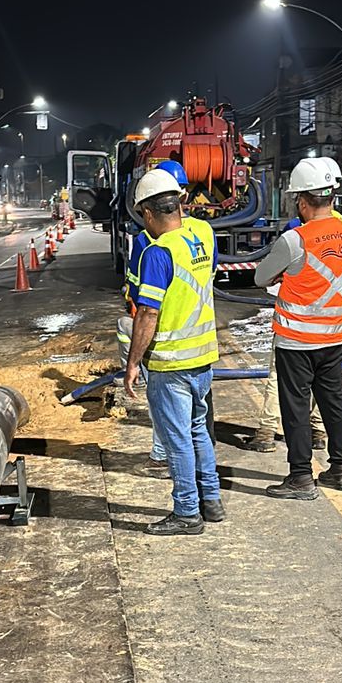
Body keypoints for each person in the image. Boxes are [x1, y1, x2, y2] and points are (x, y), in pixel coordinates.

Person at [254, 156, 342, 500]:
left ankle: (301, 477)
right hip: (333, 336)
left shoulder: (295, 240)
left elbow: (260, 277)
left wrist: (284, 275)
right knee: (334, 400)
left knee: (296, 407)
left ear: (302, 200)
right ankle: (340, 469)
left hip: (296, 339)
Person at [124, 169, 223, 533]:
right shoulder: (204, 233)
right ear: (180, 203)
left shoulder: (158, 252)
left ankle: (186, 513)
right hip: (203, 358)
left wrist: (133, 363)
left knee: (177, 438)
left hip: (171, 362)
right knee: (198, 430)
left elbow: (148, 313)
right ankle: (211, 500)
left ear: (149, 213)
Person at [118, 159, 191, 474]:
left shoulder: (150, 244)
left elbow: (144, 306)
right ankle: (201, 477)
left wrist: (133, 361)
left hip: (163, 340)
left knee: (163, 404)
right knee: (193, 413)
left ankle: (163, 458)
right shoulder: (199, 235)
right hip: (196, 342)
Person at [245, 215, 327, 454]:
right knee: (320, 378)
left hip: (292, 326)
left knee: (277, 376)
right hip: (326, 325)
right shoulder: (339, 233)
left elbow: (262, 277)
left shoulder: (294, 238)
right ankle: (318, 431)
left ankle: (267, 432)